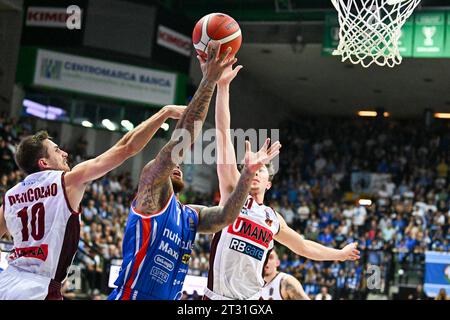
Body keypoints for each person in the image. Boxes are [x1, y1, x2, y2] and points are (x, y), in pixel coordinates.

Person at [108, 41, 281, 300]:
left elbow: (225, 217)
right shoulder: (152, 193)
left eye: (179, 165)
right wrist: (210, 81)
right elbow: (180, 142)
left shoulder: (189, 216)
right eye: (172, 165)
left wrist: (247, 174)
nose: (177, 166)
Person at [205, 61, 360, 300]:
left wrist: (339, 254)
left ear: (269, 183)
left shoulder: (272, 219)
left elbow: (304, 246)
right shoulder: (232, 194)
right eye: (253, 168)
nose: (256, 172)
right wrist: (223, 87)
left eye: (262, 169)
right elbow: (223, 135)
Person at [0, 103, 186, 300]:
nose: (65, 153)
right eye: (56, 150)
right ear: (44, 163)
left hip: (7, 282)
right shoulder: (67, 181)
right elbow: (126, 147)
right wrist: (164, 113)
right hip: (39, 288)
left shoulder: (10, 196)